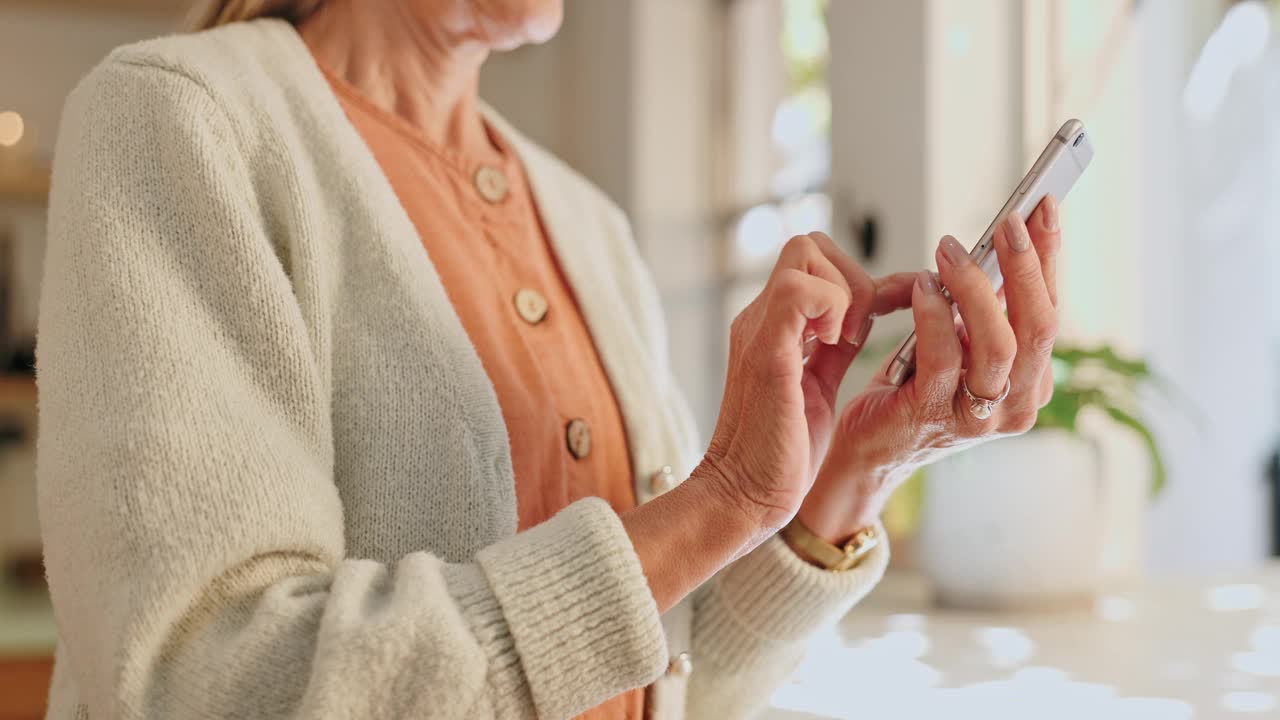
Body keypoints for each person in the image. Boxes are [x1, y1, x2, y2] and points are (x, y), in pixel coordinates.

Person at [37, 0, 1063, 718]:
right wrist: (720, 499)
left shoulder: (586, 222)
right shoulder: (179, 118)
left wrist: (849, 473)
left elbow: (667, 685)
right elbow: (209, 686)